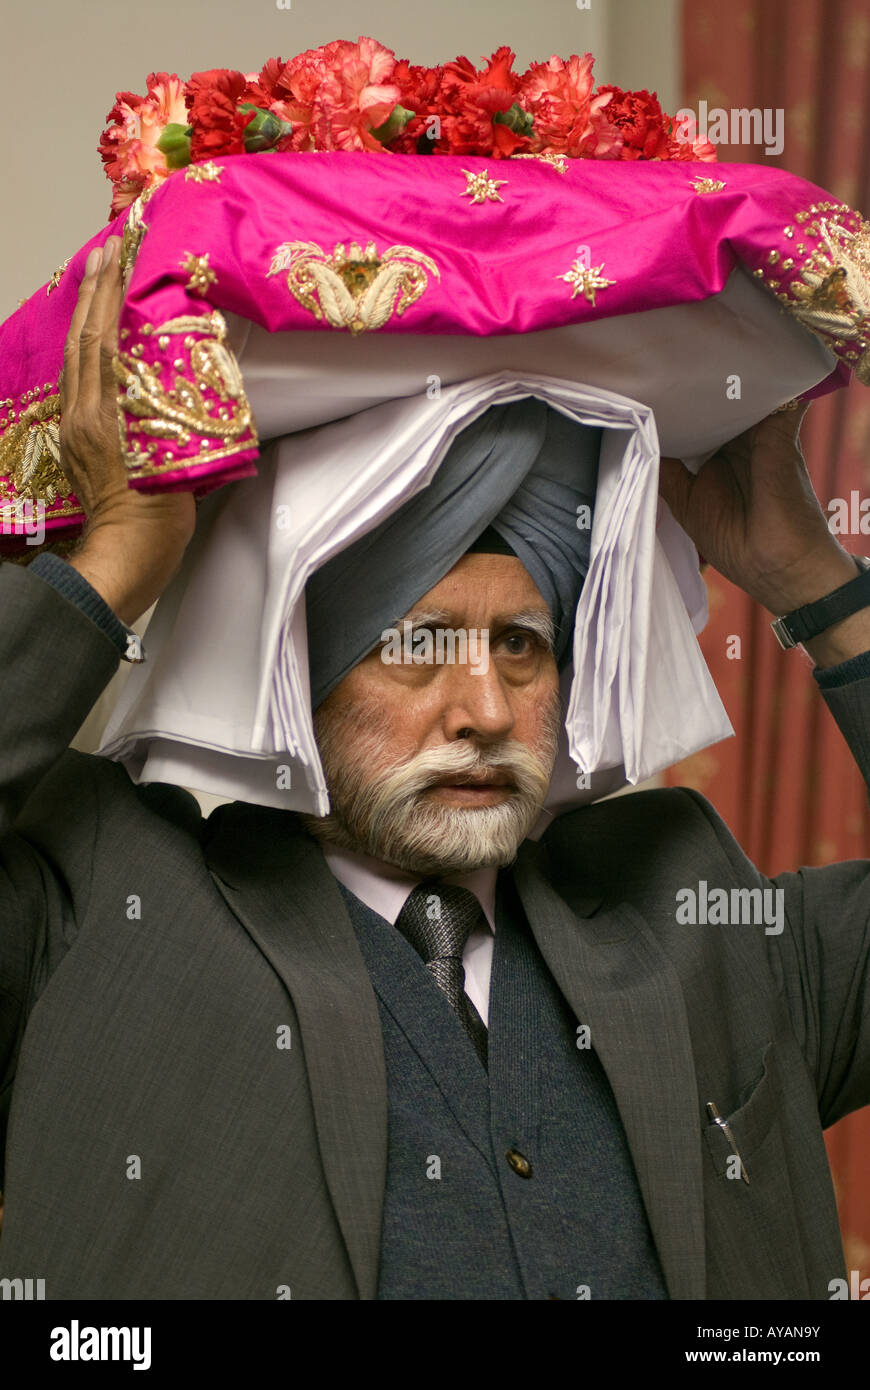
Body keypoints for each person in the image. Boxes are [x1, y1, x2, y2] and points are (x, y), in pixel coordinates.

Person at [1, 234, 870, 1301]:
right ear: (297, 680)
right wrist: (112, 570)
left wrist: (814, 581)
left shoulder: (686, 905)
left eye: (522, 645)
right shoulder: (105, 901)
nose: (487, 712)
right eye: (411, 647)